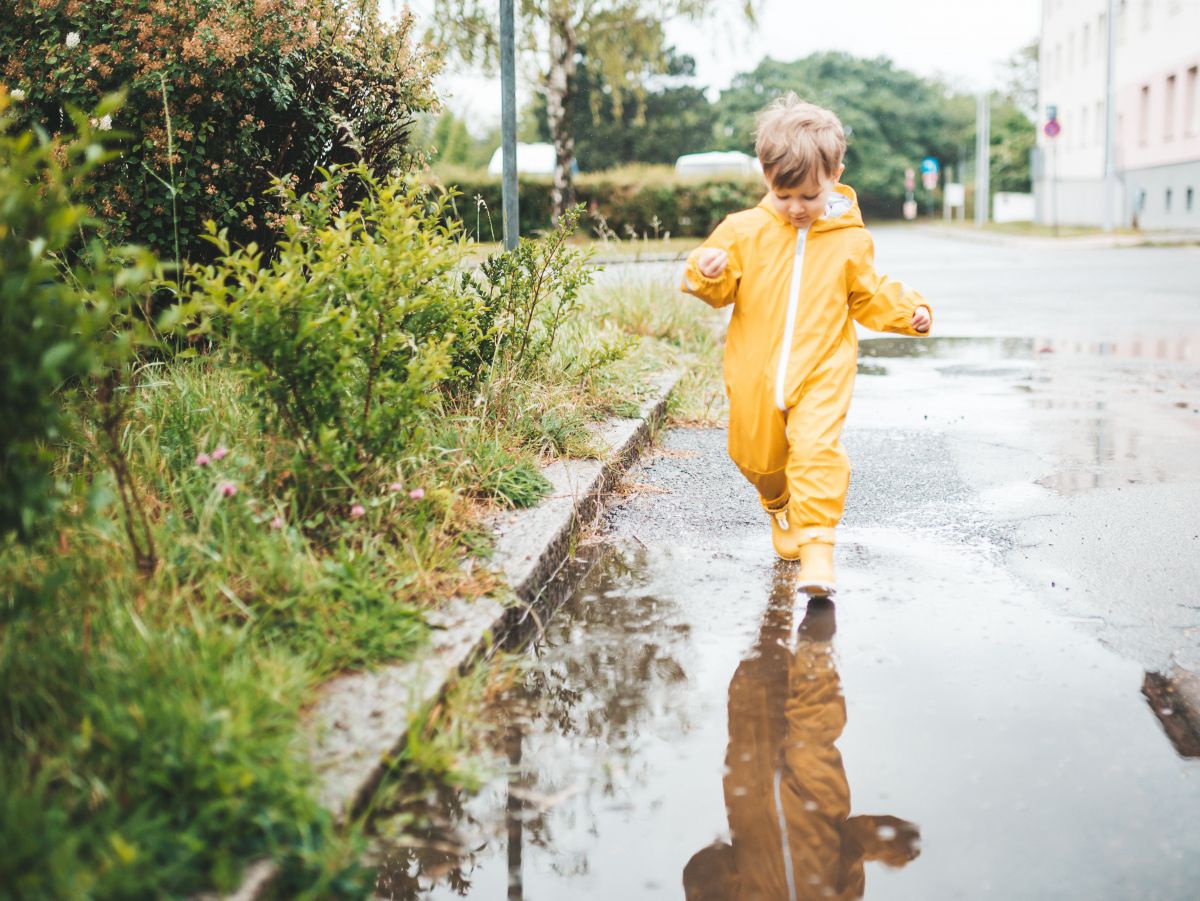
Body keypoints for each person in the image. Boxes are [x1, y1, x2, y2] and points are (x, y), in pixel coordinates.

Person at [681, 94, 931, 596]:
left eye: (810, 197)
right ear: (766, 175)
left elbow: (867, 292)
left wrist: (909, 311)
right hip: (755, 371)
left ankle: (819, 548)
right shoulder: (742, 230)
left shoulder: (848, 238)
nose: (797, 208)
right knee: (756, 456)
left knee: (817, 450)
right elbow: (720, 286)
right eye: (784, 194)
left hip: (822, 368)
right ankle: (778, 505)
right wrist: (704, 272)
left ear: (836, 173)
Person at [682, 567, 921, 900]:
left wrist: (708, 893)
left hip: (753, 777)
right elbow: (853, 840)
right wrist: (891, 845)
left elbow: (709, 862)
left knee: (755, 679)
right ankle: (815, 651)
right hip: (816, 800)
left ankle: (783, 579)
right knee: (812, 736)